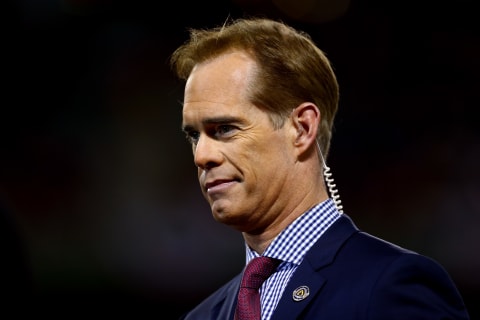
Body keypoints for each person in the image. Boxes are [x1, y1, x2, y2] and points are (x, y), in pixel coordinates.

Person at [169, 17, 470, 320]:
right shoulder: (202, 316)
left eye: (224, 128)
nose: (201, 155)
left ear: (301, 129)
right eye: (194, 135)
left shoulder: (392, 285)